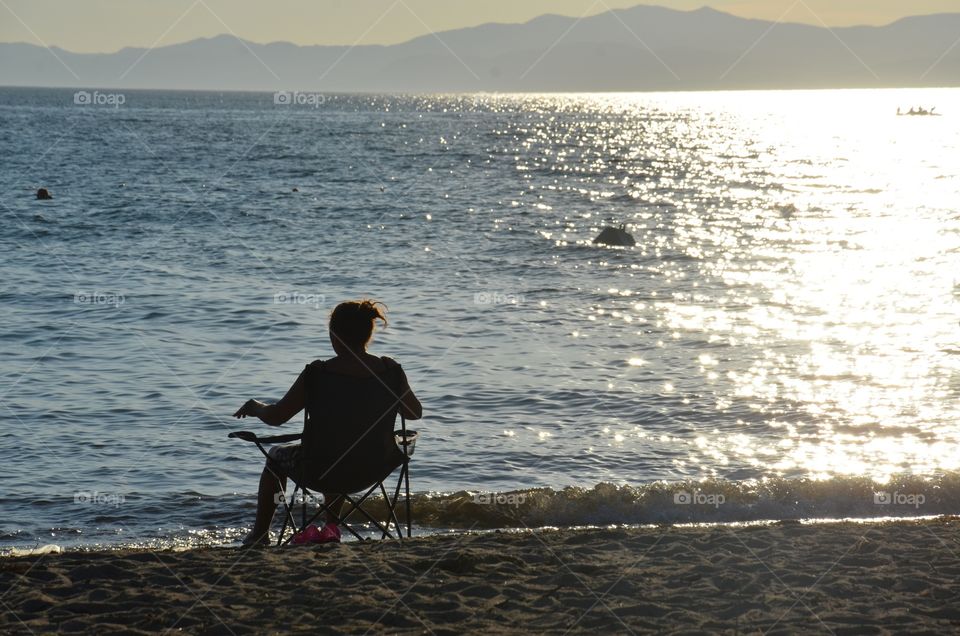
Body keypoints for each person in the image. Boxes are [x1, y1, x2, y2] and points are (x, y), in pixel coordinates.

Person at [233, 300, 422, 546]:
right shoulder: (391, 370)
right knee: (341, 453)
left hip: (322, 469)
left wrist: (255, 407)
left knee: (275, 459)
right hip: (374, 466)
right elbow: (413, 413)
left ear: (334, 335)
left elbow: (277, 417)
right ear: (368, 335)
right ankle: (331, 527)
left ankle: (259, 534)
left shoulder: (317, 374)